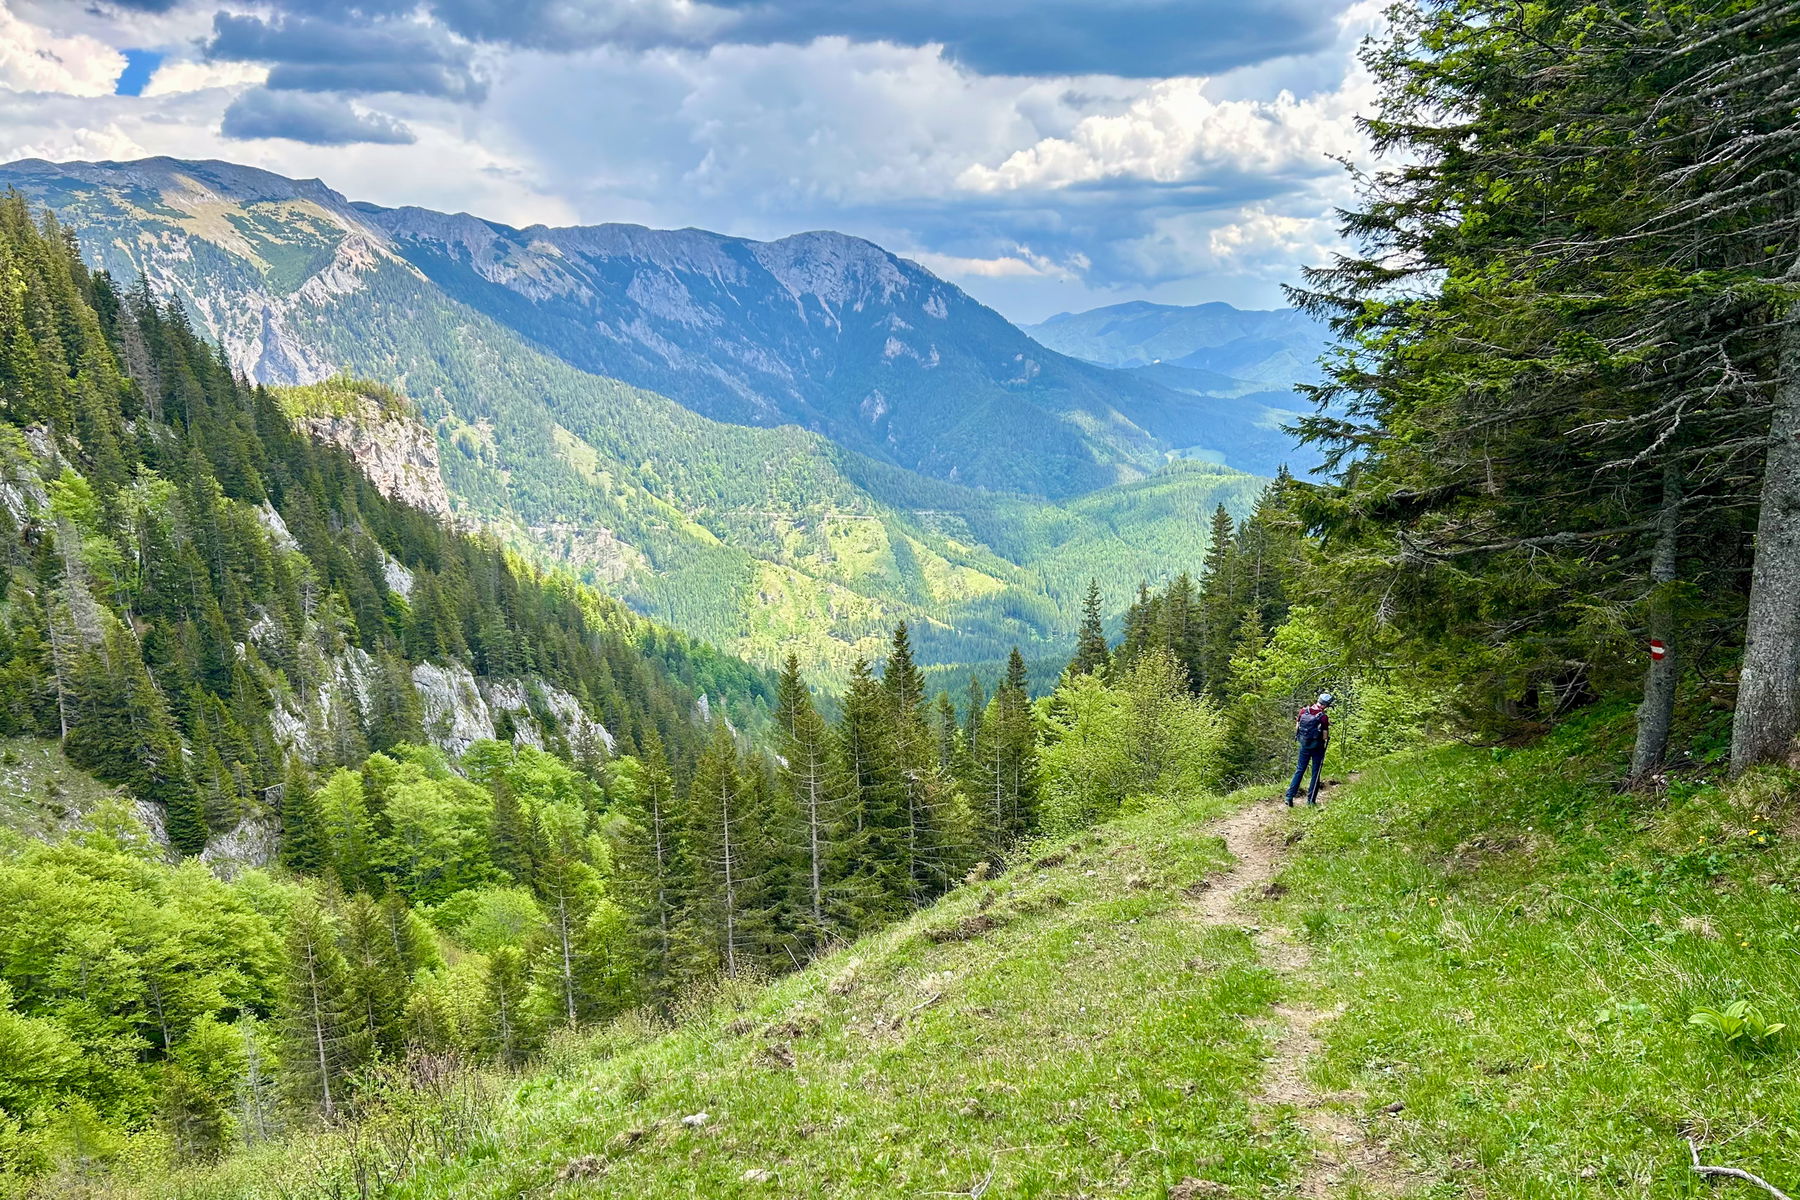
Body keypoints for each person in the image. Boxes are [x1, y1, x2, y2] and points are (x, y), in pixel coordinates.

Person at [1285, 692, 1334, 807]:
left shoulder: (1303, 711)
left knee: (1300, 770)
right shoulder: (1323, 717)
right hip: (1317, 747)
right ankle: (1310, 801)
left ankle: (1289, 796)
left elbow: (1298, 727)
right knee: (1315, 773)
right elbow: (1325, 736)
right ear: (1326, 705)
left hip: (1304, 745)